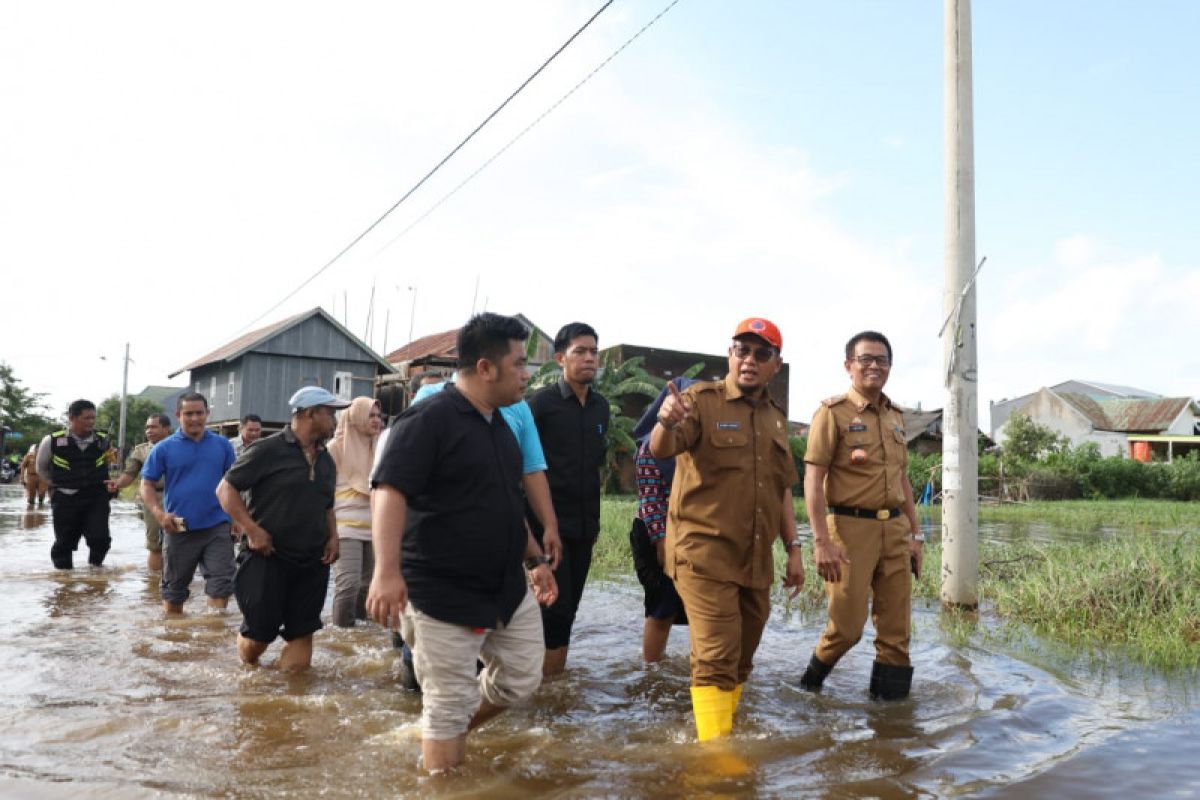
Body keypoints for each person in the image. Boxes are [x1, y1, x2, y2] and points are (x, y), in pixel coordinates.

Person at [368, 312, 558, 773]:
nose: (527, 376)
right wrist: (386, 571)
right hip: (441, 590)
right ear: (486, 367)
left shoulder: (500, 425)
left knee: (520, 679)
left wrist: (535, 560)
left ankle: (442, 731)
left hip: (503, 586)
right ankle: (443, 757)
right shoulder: (427, 420)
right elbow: (389, 490)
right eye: (519, 364)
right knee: (448, 705)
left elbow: (507, 503)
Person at [651, 318, 804, 741]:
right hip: (703, 553)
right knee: (717, 656)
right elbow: (663, 447)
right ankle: (715, 759)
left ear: (776, 364)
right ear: (730, 354)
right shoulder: (699, 401)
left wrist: (794, 548)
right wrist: (665, 422)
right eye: (743, 350)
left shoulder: (776, 418)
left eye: (762, 353)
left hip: (754, 556)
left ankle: (716, 727)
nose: (750, 360)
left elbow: (782, 489)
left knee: (741, 658)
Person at [798, 330, 923, 701]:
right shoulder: (831, 414)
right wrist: (821, 542)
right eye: (865, 359)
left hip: (896, 530)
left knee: (897, 636)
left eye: (881, 360)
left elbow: (902, 479)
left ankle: (890, 726)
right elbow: (813, 478)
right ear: (848, 365)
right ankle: (807, 687)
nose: (874, 366)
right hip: (849, 532)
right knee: (847, 629)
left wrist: (916, 536)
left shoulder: (896, 417)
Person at [217, 386, 345, 670]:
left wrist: (333, 537)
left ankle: (291, 702)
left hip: (312, 560)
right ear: (311, 413)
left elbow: (326, 504)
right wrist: (251, 530)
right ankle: (248, 666)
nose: (335, 421)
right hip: (267, 556)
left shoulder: (326, 459)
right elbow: (225, 490)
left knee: (303, 632)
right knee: (259, 637)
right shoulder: (266, 450)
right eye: (330, 413)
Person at [526, 322, 609, 677]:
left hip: (584, 528)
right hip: (547, 528)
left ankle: (552, 687)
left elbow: (596, 468)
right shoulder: (540, 405)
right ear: (561, 358)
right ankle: (542, 689)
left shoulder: (601, 408)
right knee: (553, 610)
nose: (589, 358)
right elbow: (525, 470)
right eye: (580, 351)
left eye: (594, 352)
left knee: (569, 610)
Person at [140, 393, 237, 614]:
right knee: (174, 593)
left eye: (199, 413)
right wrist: (159, 514)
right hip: (179, 528)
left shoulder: (223, 446)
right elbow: (146, 485)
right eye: (188, 413)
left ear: (207, 414)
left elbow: (234, 484)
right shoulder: (163, 448)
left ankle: (211, 640)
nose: (195, 418)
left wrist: (237, 518)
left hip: (218, 527)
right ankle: (175, 642)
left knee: (220, 587)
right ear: (178, 415)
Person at [629, 378, 696, 662]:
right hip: (655, 533)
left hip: (693, 533)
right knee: (663, 605)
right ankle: (652, 670)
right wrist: (662, 543)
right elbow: (651, 499)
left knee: (701, 606)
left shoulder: (699, 442)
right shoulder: (650, 447)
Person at [36, 399, 119, 569]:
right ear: (72, 418)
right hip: (65, 499)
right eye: (86, 418)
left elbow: (111, 465)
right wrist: (57, 484)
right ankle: (64, 583)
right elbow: (41, 468)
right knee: (64, 543)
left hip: (96, 498)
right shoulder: (52, 440)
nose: (91, 422)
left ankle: (95, 573)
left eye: (93, 418)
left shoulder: (103, 440)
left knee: (100, 538)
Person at [328, 396, 383, 627]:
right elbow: (323, 491)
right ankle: (341, 635)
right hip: (345, 526)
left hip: (375, 526)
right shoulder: (335, 448)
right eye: (370, 415)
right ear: (356, 417)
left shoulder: (381, 446)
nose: (377, 420)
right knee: (348, 584)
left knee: (367, 584)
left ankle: (358, 634)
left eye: (379, 415)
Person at [110, 413, 172, 571]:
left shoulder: (181, 446)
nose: (149, 431)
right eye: (147, 427)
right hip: (153, 498)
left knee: (183, 541)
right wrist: (117, 484)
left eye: (153, 427)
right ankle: (152, 586)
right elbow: (130, 474)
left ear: (166, 429)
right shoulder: (141, 451)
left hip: (179, 497)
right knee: (155, 545)